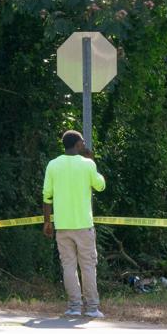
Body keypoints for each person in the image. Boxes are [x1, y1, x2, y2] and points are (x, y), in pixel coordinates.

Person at [42, 130, 106, 318]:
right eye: (83, 142)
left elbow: (47, 196)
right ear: (78, 145)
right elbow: (100, 186)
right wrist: (93, 163)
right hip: (84, 225)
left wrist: (47, 222)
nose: (85, 145)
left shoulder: (53, 165)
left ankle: (74, 307)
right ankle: (92, 308)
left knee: (68, 266)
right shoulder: (87, 164)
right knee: (87, 266)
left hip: (62, 225)